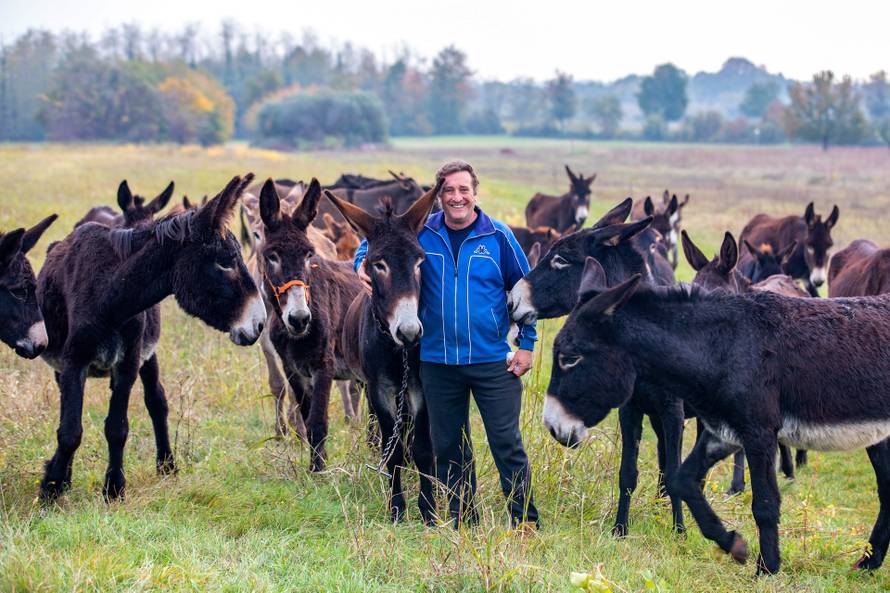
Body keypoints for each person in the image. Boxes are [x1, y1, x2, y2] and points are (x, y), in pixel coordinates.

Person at [354, 160, 539, 528]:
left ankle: (524, 522)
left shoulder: (499, 237)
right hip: (438, 361)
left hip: (490, 359)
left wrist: (527, 344)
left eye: (463, 190)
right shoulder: (422, 232)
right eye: (448, 190)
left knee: (506, 444)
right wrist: (361, 260)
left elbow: (526, 291)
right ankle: (462, 522)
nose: (456, 197)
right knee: (450, 448)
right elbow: (379, 240)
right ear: (438, 196)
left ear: (475, 192)